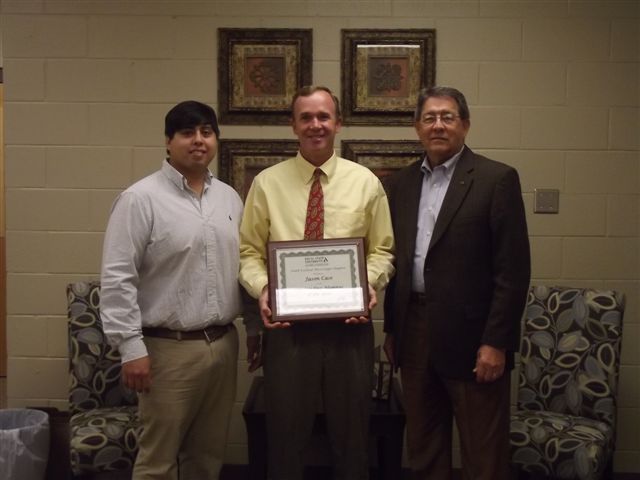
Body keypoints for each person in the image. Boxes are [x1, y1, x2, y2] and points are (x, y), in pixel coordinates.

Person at [239, 85, 395, 480]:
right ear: (293, 125)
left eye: (323, 116)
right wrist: (263, 289)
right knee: (286, 441)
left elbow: (383, 251)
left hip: (350, 330)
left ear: (338, 123)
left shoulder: (366, 183)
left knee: (353, 440)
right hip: (288, 331)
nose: (315, 125)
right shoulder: (266, 184)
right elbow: (249, 254)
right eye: (306, 117)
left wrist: (369, 285)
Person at [383, 86, 531, 480]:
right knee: (424, 445)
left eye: (448, 117)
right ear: (417, 127)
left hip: (474, 338)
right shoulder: (400, 184)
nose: (438, 125)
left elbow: (512, 273)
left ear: (465, 125)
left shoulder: (495, 179)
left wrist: (496, 342)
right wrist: (393, 329)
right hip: (413, 331)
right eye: (429, 118)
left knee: (483, 452)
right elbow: (396, 259)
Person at [100, 100, 243, 480]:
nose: (198, 140)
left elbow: (241, 268)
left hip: (223, 346)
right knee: (158, 462)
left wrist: (256, 330)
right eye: (187, 132)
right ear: (168, 141)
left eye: (206, 132)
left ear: (216, 139)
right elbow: (117, 277)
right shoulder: (139, 199)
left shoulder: (229, 198)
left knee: (207, 457)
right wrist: (131, 348)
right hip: (166, 351)